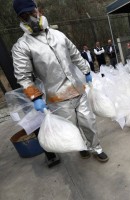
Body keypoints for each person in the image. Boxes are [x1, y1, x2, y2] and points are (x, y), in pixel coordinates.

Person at [11, 0, 109, 167]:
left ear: (38, 11)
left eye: (32, 13)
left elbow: (76, 55)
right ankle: (81, 146)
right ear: (20, 19)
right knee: (71, 126)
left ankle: (96, 148)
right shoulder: (22, 46)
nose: (32, 18)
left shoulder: (59, 35)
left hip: (77, 89)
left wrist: (86, 71)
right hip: (57, 97)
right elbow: (23, 76)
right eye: (25, 16)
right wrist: (35, 97)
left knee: (88, 121)